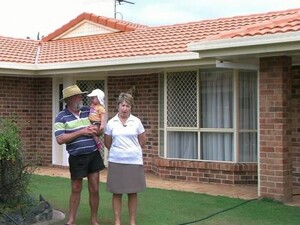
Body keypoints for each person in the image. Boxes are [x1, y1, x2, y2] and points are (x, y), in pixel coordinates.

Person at [54, 85, 105, 225]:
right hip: (77, 157)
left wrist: (98, 130)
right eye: (77, 96)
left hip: (93, 154)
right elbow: (60, 139)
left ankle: (94, 219)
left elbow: (99, 131)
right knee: (76, 189)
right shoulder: (61, 117)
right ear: (69, 100)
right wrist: (81, 132)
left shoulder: (88, 111)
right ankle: (71, 220)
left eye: (80, 95)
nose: (80, 98)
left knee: (94, 188)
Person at [104, 92, 146, 225]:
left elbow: (142, 141)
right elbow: (107, 143)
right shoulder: (111, 123)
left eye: (127, 106)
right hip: (116, 161)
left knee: (132, 192)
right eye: (122, 105)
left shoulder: (137, 122)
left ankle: (132, 221)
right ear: (118, 106)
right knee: (117, 193)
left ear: (131, 107)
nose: (124, 108)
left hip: (133, 161)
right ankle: (117, 221)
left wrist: (130, 151)